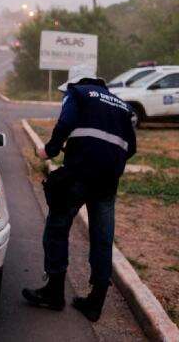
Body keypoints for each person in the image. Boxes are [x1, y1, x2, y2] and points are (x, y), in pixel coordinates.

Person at [22, 64, 136, 322]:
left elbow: (65, 123)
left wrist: (49, 150)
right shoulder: (122, 104)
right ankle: (95, 302)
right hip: (108, 180)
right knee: (102, 237)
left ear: (75, 81)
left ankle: (54, 293)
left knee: (57, 226)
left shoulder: (78, 93)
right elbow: (131, 148)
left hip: (78, 174)